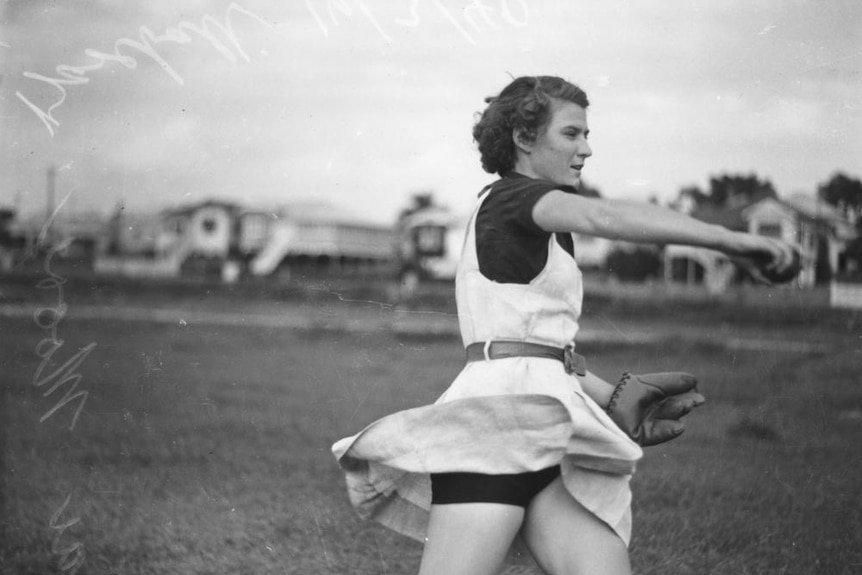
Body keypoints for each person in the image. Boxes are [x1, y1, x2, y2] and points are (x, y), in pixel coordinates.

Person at [332, 75, 797, 575]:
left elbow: (539, 347)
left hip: (549, 435)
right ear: (524, 138)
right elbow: (603, 217)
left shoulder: (542, 228)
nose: (587, 148)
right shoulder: (513, 199)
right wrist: (733, 241)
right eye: (572, 134)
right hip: (492, 435)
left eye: (586, 135)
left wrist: (612, 395)